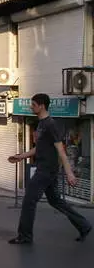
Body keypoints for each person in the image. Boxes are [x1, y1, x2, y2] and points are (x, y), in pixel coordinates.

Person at [7, 93, 91, 245]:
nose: (31, 107)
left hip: (46, 170)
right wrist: (21, 156)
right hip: (45, 169)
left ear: (41, 106)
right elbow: (38, 148)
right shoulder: (41, 124)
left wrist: (70, 173)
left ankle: (25, 236)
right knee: (55, 201)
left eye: (33, 105)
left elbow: (61, 150)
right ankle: (84, 225)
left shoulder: (50, 124)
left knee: (29, 200)